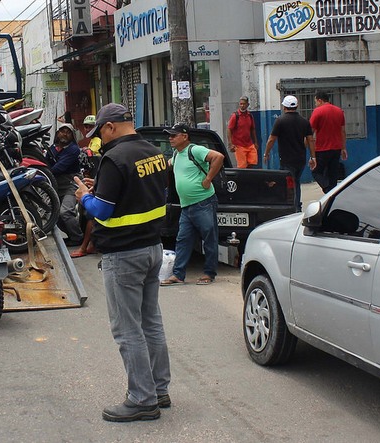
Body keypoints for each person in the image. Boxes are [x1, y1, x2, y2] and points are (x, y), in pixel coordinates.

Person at [75, 103, 172, 422]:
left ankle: (142, 399)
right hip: (152, 248)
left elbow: (101, 211)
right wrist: (99, 191)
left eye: (99, 133)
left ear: (111, 127)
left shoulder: (114, 158)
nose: (99, 140)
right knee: (151, 322)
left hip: (124, 254)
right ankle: (159, 390)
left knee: (127, 328)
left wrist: (85, 197)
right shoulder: (153, 151)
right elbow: (139, 193)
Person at [160, 123, 225, 286]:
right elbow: (166, 166)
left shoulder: (194, 150)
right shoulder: (176, 154)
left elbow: (218, 157)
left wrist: (208, 179)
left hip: (203, 202)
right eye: (169, 135)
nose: (170, 138)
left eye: (174, 135)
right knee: (183, 239)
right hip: (187, 206)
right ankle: (178, 275)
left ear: (184, 136)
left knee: (209, 238)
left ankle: (209, 273)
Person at [264, 95, 316, 212]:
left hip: (287, 159)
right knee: (296, 182)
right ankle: (297, 205)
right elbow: (310, 140)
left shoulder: (280, 121)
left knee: (287, 183)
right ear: (297, 106)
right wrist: (313, 157)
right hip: (300, 159)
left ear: (284, 107)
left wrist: (266, 153)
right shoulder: (304, 122)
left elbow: (271, 139)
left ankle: (290, 207)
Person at [46, 123, 83, 246]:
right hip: (57, 185)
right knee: (54, 216)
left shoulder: (73, 149)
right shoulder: (52, 148)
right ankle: (72, 236)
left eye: (68, 132)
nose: (65, 134)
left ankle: (78, 238)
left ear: (72, 136)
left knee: (65, 212)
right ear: (57, 133)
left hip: (72, 183)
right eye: (62, 131)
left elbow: (57, 168)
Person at [71, 115, 102, 258]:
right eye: (86, 126)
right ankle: (91, 245)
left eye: (90, 126)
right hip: (94, 181)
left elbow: (93, 155)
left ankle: (85, 247)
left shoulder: (98, 142)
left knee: (91, 215)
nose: (88, 129)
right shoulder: (91, 142)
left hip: (98, 183)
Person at [309, 91, 346, 193]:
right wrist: (343, 148)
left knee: (316, 172)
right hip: (336, 148)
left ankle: (327, 189)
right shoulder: (339, 111)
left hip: (322, 148)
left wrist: (307, 145)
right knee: (332, 174)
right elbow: (342, 131)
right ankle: (332, 193)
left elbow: (310, 132)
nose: (315, 104)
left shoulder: (317, 111)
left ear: (320, 100)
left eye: (316, 101)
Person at [226, 96, 259, 168]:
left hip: (249, 144)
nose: (242, 105)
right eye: (240, 104)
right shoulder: (235, 116)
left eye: (244, 104)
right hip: (239, 145)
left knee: (253, 162)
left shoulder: (250, 116)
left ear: (248, 104)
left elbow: (252, 129)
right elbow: (229, 129)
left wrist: (255, 142)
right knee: (242, 166)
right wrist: (230, 144)